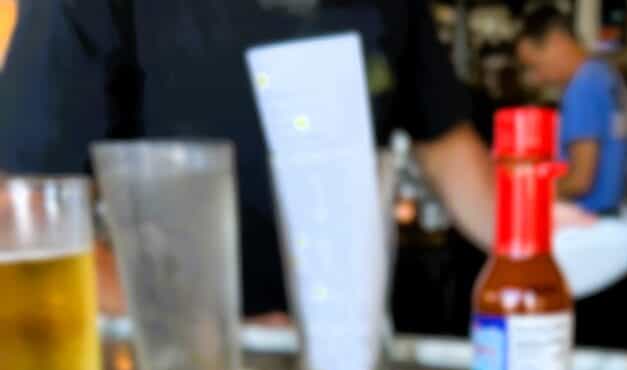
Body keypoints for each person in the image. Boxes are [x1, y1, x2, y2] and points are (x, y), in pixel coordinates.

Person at [0, 0, 493, 316]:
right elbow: (26, 219)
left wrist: (542, 243)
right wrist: (213, 338)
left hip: (345, 356)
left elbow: (445, 143)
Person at [515, 6, 627, 216]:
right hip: (616, 208)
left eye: (535, 65)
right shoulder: (604, 73)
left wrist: (524, 195)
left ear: (557, 41)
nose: (537, 78)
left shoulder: (582, 89)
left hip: (591, 219)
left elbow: (580, 181)